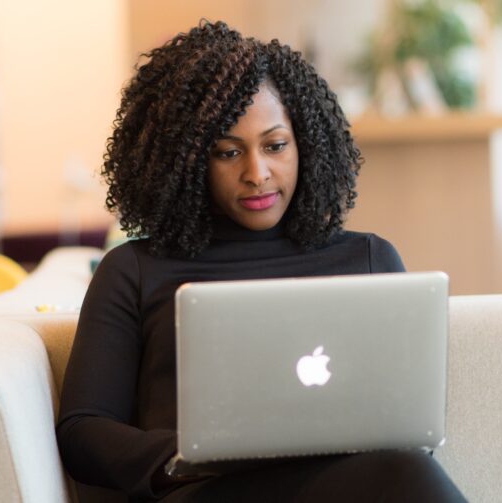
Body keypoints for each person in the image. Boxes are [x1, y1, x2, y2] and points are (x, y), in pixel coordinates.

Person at [56, 20, 468, 502]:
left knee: (410, 473)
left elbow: (404, 419)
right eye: (228, 152)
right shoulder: (134, 270)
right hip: (207, 491)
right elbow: (83, 431)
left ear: (306, 146)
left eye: (275, 146)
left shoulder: (369, 258)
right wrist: (185, 456)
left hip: (352, 486)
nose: (257, 173)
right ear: (186, 161)